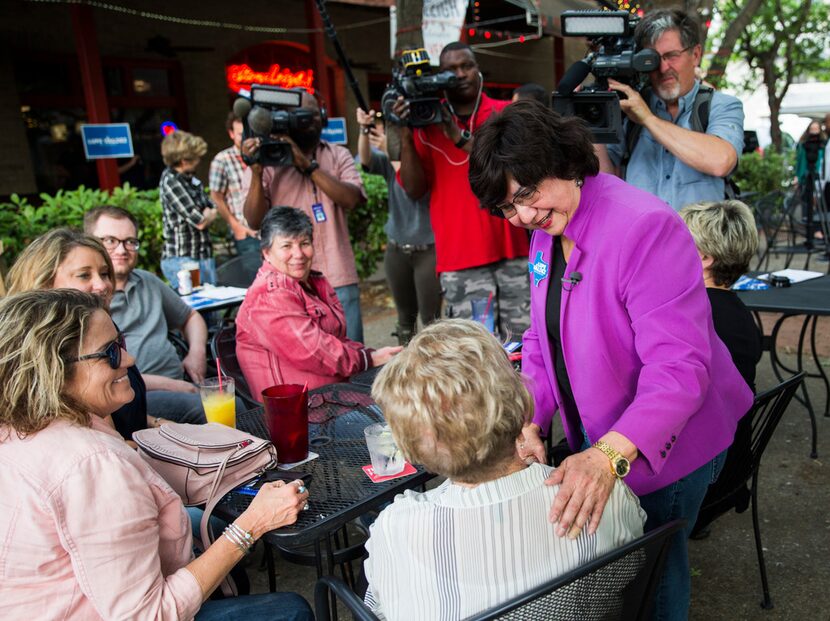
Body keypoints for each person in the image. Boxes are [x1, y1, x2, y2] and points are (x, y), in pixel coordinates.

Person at [468, 101, 753, 621]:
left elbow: (679, 371)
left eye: (527, 195)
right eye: (507, 208)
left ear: (563, 161)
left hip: (670, 442)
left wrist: (606, 458)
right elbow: (541, 338)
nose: (523, 216)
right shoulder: (545, 226)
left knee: (654, 576)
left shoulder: (644, 228)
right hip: (600, 436)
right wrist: (530, 417)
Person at [0, 289, 313, 620]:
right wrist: (254, 522)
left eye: (120, 343)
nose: (129, 359)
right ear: (56, 372)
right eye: (109, 353)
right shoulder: (92, 465)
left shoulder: (18, 430)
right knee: (290, 611)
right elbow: (148, 614)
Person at [364, 319, 646, 619]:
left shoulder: (395, 528)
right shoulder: (603, 492)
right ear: (517, 399)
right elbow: (630, 568)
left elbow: (381, 608)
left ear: (414, 448)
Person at [394, 42, 530, 336]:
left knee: (525, 348)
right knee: (477, 358)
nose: (460, 74)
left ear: (478, 69)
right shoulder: (425, 126)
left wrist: (456, 136)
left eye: (466, 66)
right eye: (450, 70)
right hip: (461, 259)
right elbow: (414, 190)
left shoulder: (505, 112)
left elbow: (514, 167)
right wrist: (406, 133)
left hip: (515, 251)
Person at [84, 206, 241, 424]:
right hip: (134, 395)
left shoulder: (147, 281)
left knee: (236, 401)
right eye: (110, 240)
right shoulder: (91, 297)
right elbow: (100, 375)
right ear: (90, 243)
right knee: (219, 410)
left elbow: (190, 317)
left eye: (130, 241)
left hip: (181, 381)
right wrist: (173, 385)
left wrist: (196, 354)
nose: (122, 250)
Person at [241, 89, 367, 343]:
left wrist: (307, 166)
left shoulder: (337, 154)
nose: (304, 122)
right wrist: (256, 171)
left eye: (308, 115)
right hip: (289, 283)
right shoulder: (268, 160)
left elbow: (352, 199)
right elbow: (254, 220)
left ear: (322, 116)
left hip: (337, 275)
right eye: (295, 116)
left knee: (354, 354)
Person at [236, 207, 401, 397]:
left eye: (304, 243)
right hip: (303, 411)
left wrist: (375, 354)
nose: (298, 254)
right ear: (266, 253)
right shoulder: (269, 294)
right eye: (286, 246)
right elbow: (315, 352)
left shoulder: (310, 282)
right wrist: (368, 359)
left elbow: (336, 340)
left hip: (333, 395)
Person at [5, 228, 151, 441]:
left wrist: (156, 423)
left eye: (104, 273)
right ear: (44, 285)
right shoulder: (52, 353)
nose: (102, 285)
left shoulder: (100, 327)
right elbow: (107, 440)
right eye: (84, 275)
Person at [601, 9, 744, 210]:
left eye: (672, 56)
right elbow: (605, 178)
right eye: (654, 59)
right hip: (643, 239)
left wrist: (648, 119)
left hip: (698, 241)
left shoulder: (722, 105)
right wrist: (593, 120)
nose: (663, 67)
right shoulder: (627, 108)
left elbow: (721, 161)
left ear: (695, 55)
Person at [679, 200, 762, 537]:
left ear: (704, 259)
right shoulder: (739, 313)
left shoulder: (696, 317)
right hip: (733, 469)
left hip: (705, 480)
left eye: (677, 241)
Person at [356, 107, 441, 345]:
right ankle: (407, 372)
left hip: (428, 249)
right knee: (405, 320)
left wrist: (390, 150)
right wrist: (363, 129)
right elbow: (365, 159)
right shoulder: (387, 164)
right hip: (396, 248)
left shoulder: (426, 165)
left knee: (431, 320)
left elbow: (413, 189)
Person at [160, 130, 218, 286]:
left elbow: (213, 205)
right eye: (196, 157)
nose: (199, 160)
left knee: (213, 308)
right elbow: (200, 221)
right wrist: (207, 214)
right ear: (184, 160)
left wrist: (209, 212)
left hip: (204, 255)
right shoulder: (170, 181)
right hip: (183, 258)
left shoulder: (190, 179)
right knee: (197, 308)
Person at [210, 112, 259, 256]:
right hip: (247, 234)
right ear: (231, 134)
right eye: (241, 134)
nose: (246, 138)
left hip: (271, 232)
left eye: (249, 133)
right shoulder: (222, 160)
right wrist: (236, 226)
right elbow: (216, 197)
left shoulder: (262, 154)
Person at [795, 120, 826, 241]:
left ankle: (818, 230)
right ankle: (810, 232)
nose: (814, 132)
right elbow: (800, 162)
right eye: (812, 129)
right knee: (806, 205)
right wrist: (798, 176)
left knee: (819, 205)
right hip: (806, 178)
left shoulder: (823, 145)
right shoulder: (803, 145)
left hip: (819, 178)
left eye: (816, 129)